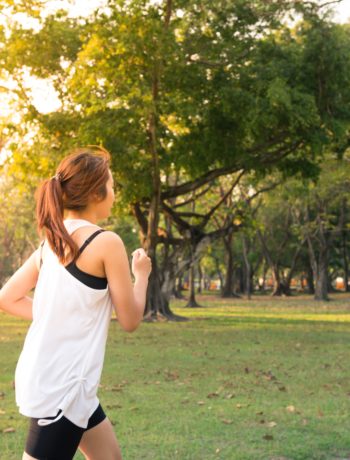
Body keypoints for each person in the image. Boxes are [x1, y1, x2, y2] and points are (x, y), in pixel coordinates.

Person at [0, 146, 152, 460]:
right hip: (62, 389)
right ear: (96, 193)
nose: (114, 194)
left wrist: (56, 315)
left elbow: (7, 298)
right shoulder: (105, 242)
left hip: (68, 383)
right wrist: (142, 275)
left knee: (109, 457)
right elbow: (130, 319)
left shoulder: (50, 243)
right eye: (112, 186)